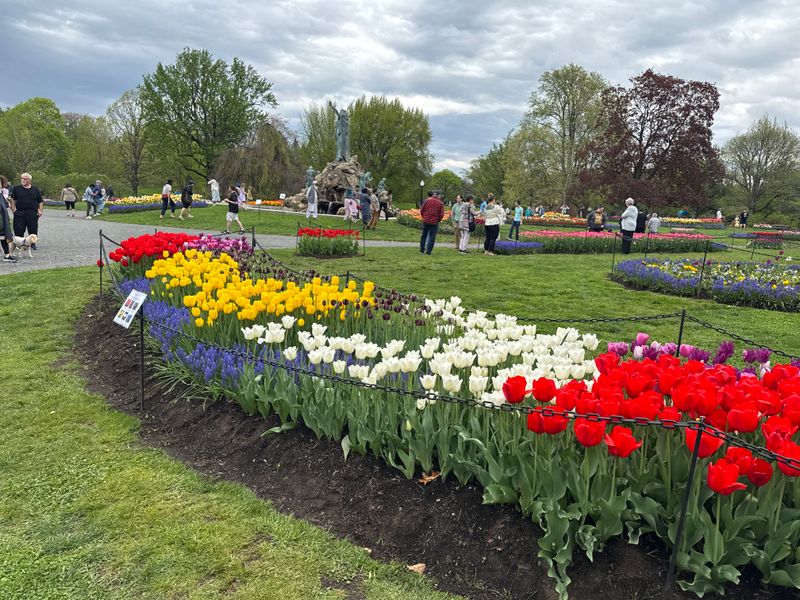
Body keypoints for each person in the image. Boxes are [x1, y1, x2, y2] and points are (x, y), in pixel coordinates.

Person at [9, 172, 43, 247]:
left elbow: (40, 201)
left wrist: (40, 210)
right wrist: (14, 210)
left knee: (33, 229)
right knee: (18, 229)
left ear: (29, 180)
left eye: (25, 179)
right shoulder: (17, 188)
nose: (23, 180)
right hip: (19, 212)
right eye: (22, 178)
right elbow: (13, 200)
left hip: (32, 213)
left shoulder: (35, 189)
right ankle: (18, 244)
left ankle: (32, 243)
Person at [419, 190, 444, 255]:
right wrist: (438, 220)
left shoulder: (426, 201)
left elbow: (422, 210)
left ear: (433, 195)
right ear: (438, 196)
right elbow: (441, 214)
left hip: (426, 220)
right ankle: (428, 251)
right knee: (432, 237)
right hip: (434, 222)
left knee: (423, 235)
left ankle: (422, 249)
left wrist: (424, 217)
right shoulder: (440, 203)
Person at [1, 177, 16, 262]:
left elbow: (5, 206)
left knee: (3, 236)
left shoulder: (2, 193)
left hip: (2, 218)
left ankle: (7, 255)